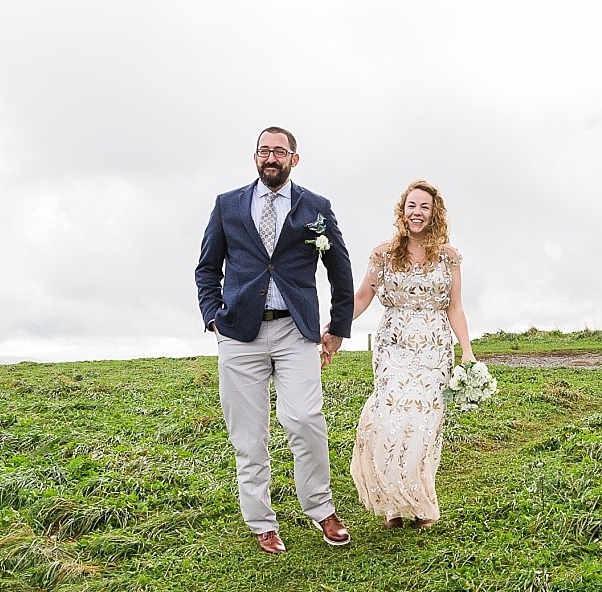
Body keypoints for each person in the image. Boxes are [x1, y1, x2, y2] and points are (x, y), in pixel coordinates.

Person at [195, 126, 356, 555]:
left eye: (279, 152)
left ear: (293, 159)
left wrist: (337, 328)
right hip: (239, 335)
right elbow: (207, 268)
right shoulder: (227, 205)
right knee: (248, 437)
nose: (271, 157)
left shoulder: (316, 207)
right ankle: (262, 522)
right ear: (255, 157)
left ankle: (322, 509)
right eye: (264, 151)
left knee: (305, 420)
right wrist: (212, 316)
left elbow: (340, 269)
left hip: (295, 330)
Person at [349, 179, 474, 529]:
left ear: (434, 214)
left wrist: (467, 352)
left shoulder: (448, 257)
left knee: (424, 425)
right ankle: (393, 505)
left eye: (424, 207)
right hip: (394, 347)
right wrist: (332, 327)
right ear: (402, 211)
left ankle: (420, 503)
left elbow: (455, 307)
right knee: (389, 420)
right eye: (411, 206)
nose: (417, 213)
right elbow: (362, 297)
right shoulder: (382, 254)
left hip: (435, 348)